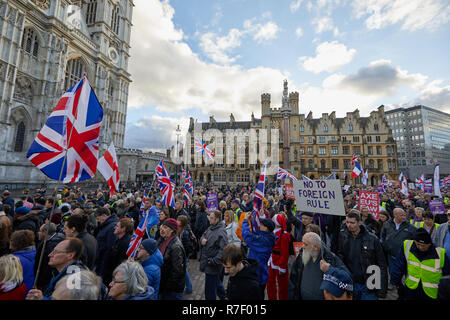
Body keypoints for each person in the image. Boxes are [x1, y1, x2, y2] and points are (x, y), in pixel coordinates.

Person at [338, 210, 388, 300]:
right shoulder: (343, 235)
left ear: (360, 222)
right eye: (347, 222)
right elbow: (341, 257)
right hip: (351, 281)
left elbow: (382, 264)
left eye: (352, 223)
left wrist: (382, 289)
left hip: (369, 282)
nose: (349, 225)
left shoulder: (372, 239)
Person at [390, 228, 450, 300]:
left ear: (429, 244)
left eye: (424, 245)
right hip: (411, 289)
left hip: (431, 293)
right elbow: (398, 265)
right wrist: (396, 282)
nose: (420, 247)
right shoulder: (407, 246)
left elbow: (447, 275)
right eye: (418, 244)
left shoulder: (440, 253)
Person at [289, 232, 349, 300]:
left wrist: (330, 270)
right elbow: (293, 281)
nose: (302, 246)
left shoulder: (330, 259)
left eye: (305, 244)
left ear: (315, 247)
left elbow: (347, 280)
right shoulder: (301, 256)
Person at [241, 213, 276, 298]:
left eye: (262, 225)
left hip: (257, 274)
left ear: (266, 228)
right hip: (257, 272)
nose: (260, 225)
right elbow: (255, 231)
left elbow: (246, 236)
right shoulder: (266, 236)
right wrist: (252, 220)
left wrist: (245, 221)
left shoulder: (264, 240)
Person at [199, 210, 228, 300]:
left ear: (217, 219)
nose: (209, 220)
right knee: (216, 283)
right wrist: (202, 240)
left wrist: (213, 261)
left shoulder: (221, 232)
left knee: (210, 291)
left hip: (212, 265)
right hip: (208, 262)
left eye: (211, 218)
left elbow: (223, 250)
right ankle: (224, 296)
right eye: (210, 217)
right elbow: (203, 235)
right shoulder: (211, 227)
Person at [157, 218, 186, 300]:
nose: (162, 229)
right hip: (163, 285)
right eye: (162, 226)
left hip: (171, 290)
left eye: (166, 227)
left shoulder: (176, 247)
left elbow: (177, 271)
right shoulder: (162, 240)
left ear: (172, 231)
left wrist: (167, 286)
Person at [34, 222, 65, 291]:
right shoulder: (54, 239)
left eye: (39, 231)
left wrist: (41, 284)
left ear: (45, 232)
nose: (38, 233)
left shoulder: (51, 245)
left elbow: (47, 266)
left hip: (45, 283)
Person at [102, 217, 133, 285]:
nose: (114, 227)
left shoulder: (125, 243)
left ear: (123, 229)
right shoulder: (119, 239)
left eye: (117, 226)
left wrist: (115, 279)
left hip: (112, 278)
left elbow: (121, 263)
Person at [267, 213, 291, 300]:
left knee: (282, 285)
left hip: (279, 262)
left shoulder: (284, 235)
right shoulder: (270, 232)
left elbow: (285, 253)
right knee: (270, 282)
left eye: (273, 220)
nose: (271, 221)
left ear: (277, 222)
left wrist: (282, 267)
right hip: (271, 260)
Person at [94, 207, 118, 277]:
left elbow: (110, 247)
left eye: (98, 219)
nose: (98, 221)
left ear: (104, 215)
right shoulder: (106, 225)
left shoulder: (111, 226)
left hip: (104, 261)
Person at [176, 215, 193, 294]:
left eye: (178, 223)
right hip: (181, 255)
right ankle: (189, 287)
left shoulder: (185, 233)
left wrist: (183, 255)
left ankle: (189, 288)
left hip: (183, 256)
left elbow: (186, 247)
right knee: (184, 272)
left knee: (184, 272)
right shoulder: (179, 231)